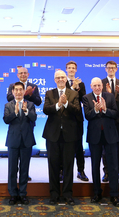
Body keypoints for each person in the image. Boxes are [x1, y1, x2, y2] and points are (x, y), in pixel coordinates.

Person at [42, 70, 80, 205]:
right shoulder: (49, 93)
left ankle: (68, 194)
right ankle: (54, 194)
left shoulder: (74, 93)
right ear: (54, 80)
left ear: (66, 79)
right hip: (53, 135)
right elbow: (46, 109)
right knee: (53, 166)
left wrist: (66, 104)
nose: (60, 79)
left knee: (69, 165)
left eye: (62, 77)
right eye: (58, 77)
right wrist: (58, 104)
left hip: (69, 135)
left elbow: (77, 110)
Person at [83, 77, 119, 206]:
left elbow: (116, 113)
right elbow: (87, 116)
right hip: (95, 136)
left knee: (113, 166)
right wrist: (95, 110)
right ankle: (97, 193)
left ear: (103, 86)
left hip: (110, 135)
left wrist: (104, 109)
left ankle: (114, 195)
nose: (97, 87)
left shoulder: (110, 96)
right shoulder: (87, 98)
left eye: (99, 85)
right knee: (95, 165)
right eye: (95, 85)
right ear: (91, 86)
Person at [3, 82, 37, 205]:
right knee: (12, 169)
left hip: (26, 141)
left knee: (24, 169)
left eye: (20, 90)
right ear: (12, 92)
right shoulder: (8, 105)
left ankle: (22, 194)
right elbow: (6, 120)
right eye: (16, 90)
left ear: (23, 92)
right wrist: (15, 112)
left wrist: (26, 111)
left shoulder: (31, 104)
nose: (18, 92)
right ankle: (13, 194)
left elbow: (34, 118)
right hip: (13, 141)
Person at [6, 66, 41, 181]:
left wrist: (31, 95)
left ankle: (25, 173)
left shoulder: (34, 86)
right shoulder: (13, 85)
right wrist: (25, 93)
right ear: (17, 75)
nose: (23, 75)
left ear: (28, 74)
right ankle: (14, 173)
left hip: (28, 120)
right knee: (15, 150)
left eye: (25, 73)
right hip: (15, 121)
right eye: (21, 73)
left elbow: (39, 102)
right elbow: (9, 98)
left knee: (26, 148)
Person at [101, 60, 119, 182]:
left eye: (113, 67)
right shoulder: (101, 83)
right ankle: (107, 172)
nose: (111, 69)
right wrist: (109, 95)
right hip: (106, 120)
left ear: (116, 69)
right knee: (105, 147)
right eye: (109, 67)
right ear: (105, 69)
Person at [65, 61, 88, 181]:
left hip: (77, 118)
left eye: (73, 68)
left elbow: (84, 100)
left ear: (76, 70)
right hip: (66, 118)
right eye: (69, 68)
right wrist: (73, 88)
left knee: (79, 146)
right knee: (64, 146)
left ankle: (81, 171)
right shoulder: (62, 83)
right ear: (66, 70)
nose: (71, 70)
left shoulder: (81, 84)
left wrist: (78, 88)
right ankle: (63, 171)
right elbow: (65, 97)